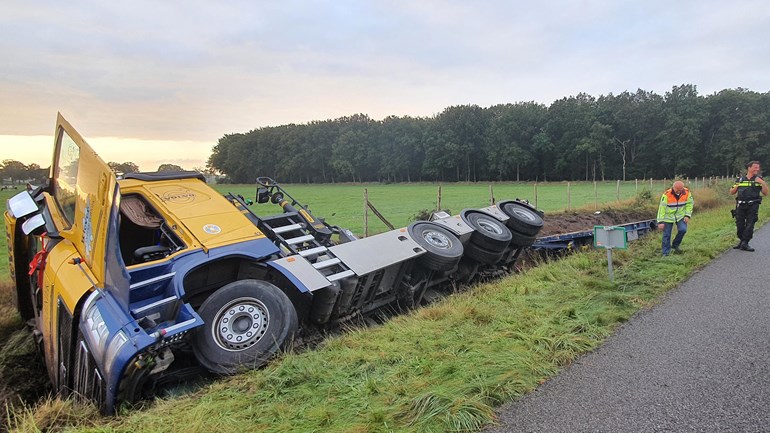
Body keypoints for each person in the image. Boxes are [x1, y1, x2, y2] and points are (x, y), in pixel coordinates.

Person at [729, 161, 768, 251]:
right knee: (740, 224)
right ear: (749, 168)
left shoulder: (759, 179)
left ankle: (745, 242)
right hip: (740, 205)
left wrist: (762, 183)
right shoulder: (740, 179)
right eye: (755, 167)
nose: (757, 169)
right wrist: (737, 185)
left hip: (753, 205)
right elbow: (731, 192)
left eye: (758, 167)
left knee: (750, 224)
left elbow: (766, 193)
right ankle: (742, 241)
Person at [657, 180, 693, 256]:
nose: (679, 192)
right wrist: (660, 222)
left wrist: (687, 215)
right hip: (668, 217)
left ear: (682, 188)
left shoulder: (687, 193)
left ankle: (675, 245)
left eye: (680, 190)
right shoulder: (666, 195)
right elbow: (661, 209)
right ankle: (665, 252)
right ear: (673, 188)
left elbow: (690, 204)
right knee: (666, 235)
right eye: (677, 190)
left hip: (680, 216)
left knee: (683, 230)